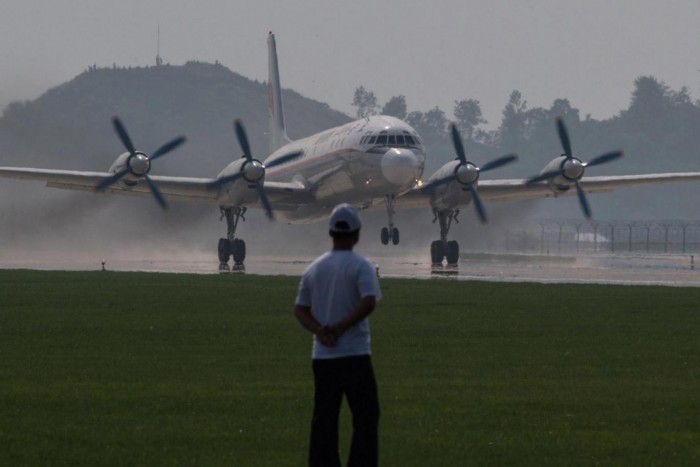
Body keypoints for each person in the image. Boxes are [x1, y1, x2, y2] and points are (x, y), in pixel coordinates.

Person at [294, 203, 382, 467]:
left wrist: (320, 330)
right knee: (366, 416)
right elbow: (368, 302)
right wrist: (342, 327)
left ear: (330, 232)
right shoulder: (362, 266)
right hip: (355, 354)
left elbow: (300, 310)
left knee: (324, 418)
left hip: (322, 355)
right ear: (357, 234)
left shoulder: (314, 269)